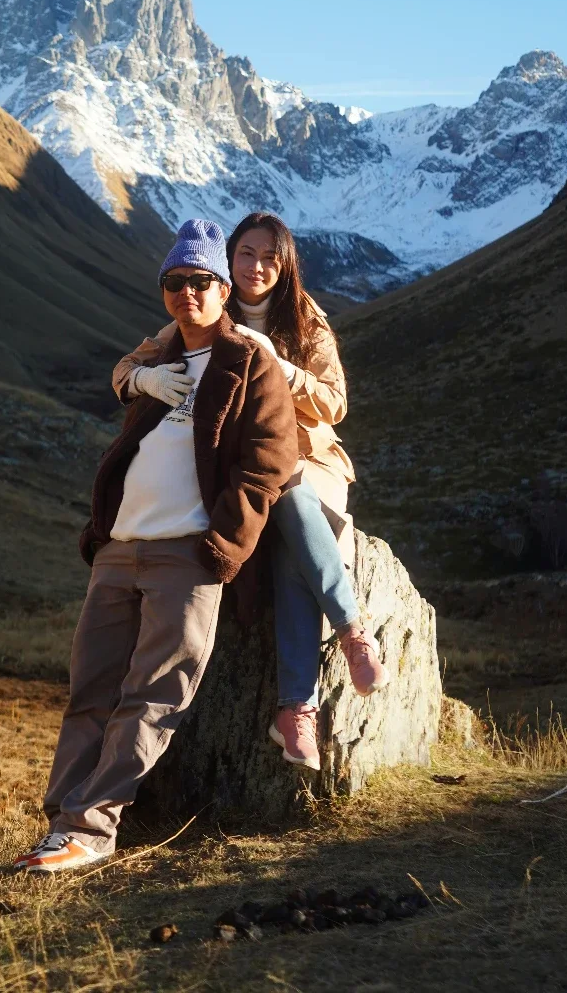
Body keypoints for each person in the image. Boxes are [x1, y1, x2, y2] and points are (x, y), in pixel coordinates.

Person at [14, 219, 298, 874]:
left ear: (223, 290)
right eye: (175, 282)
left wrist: (224, 543)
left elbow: (268, 460)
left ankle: (92, 829)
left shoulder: (247, 358)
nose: (187, 293)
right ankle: (59, 824)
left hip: (185, 555)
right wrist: (136, 379)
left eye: (201, 282)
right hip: (118, 548)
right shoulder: (158, 354)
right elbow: (122, 380)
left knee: (151, 697)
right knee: (89, 693)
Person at [113, 212, 389, 773]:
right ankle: (331, 661)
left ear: (284, 264)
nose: (257, 266)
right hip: (246, 463)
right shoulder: (209, 308)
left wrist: (283, 370)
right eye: (246, 254)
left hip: (309, 459)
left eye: (270, 256)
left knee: (290, 505)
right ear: (228, 259)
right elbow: (125, 369)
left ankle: (304, 699)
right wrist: (145, 380)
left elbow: (335, 404)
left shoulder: (305, 318)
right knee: (282, 508)